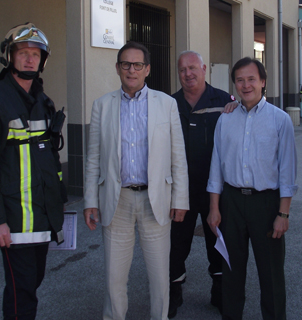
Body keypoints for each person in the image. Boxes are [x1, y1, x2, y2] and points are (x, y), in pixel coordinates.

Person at [83, 41, 189, 320]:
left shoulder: (166, 104)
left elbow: (178, 156)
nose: (132, 70)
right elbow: (93, 158)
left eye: (138, 65)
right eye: (126, 64)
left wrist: (180, 199)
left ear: (148, 70)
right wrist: (90, 202)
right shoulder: (101, 106)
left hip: (156, 201)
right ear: (118, 68)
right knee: (114, 278)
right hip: (116, 201)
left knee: (159, 277)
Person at [0, 22, 67, 319]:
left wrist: (57, 209)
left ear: (43, 61)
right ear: (9, 56)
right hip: (13, 221)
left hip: (40, 215)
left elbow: (48, 160)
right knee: (21, 292)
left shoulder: (42, 102)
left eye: (35, 54)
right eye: (22, 52)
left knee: (32, 285)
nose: (29, 59)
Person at [207, 57, 298, 320]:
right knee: (231, 272)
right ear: (234, 84)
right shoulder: (225, 118)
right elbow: (217, 166)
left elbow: (287, 172)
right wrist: (214, 208)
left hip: (267, 204)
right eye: (239, 80)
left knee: (271, 275)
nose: (245, 85)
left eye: (251, 79)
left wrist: (283, 214)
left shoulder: (280, 120)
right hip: (232, 202)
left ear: (263, 82)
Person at [168, 50, 235, 318]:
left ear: (204, 69)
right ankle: (173, 293)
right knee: (175, 246)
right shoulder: (169, 103)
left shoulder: (224, 101)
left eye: (193, 68)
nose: (188, 74)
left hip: (214, 191)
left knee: (217, 243)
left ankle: (220, 292)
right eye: (183, 69)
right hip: (180, 191)